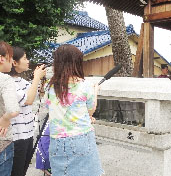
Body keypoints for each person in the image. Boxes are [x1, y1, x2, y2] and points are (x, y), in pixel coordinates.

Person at [45, 44, 104, 176]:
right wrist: (95, 91)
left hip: (56, 141)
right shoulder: (85, 85)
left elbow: (49, 107)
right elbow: (90, 110)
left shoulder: (50, 87)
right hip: (81, 139)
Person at [9, 47, 46, 176]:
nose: (28, 61)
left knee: (22, 171)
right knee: (16, 172)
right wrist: (36, 78)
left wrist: (40, 80)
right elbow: (28, 100)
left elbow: (38, 95)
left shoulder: (22, 81)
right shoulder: (8, 83)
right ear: (14, 62)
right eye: (25, 58)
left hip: (28, 133)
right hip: (16, 137)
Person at [0, 41, 20, 176]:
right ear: (1, 58)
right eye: (10, 56)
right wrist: (5, 118)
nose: (12, 60)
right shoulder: (5, 80)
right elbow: (13, 110)